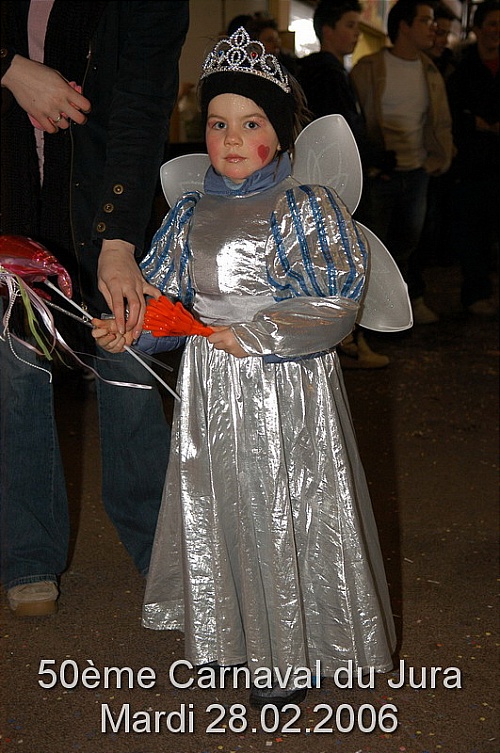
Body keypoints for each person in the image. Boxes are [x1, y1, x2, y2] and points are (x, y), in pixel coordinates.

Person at [93, 27, 396, 708]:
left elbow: (335, 301)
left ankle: (291, 651)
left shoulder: (305, 208)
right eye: (218, 123)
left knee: (285, 505)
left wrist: (260, 332)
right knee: (222, 502)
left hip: (285, 390)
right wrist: (132, 327)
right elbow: (167, 300)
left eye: (251, 123)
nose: (231, 138)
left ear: (281, 133)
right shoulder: (189, 215)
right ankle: (230, 636)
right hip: (212, 391)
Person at [0, 1, 189, 617]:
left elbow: (142, 105)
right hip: (12, 197)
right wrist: (10, 67)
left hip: (103, 201)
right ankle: (28, 554)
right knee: (14, 372)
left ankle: (163, 549)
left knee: (128, 361)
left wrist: (118, 241)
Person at [298, 0, 391, 368]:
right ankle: (347, 342)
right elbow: (344, 130)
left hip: (329, 178)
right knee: (345, 259)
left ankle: (344, 341)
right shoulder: (326, 72)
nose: (355, 33)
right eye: (350, 25)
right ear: (328, 29)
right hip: (337, 180)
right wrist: (377, 159)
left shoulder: (323, 70)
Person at [351, 0, 454, 325]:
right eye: (425, 20)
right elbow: (357, 121)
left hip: (417, 171)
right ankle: (369, 318)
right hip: (380, 174)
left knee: (409, 244)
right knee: (374, 247)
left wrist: (438, 159)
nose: (432, 28)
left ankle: (402, 309)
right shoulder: (369, 68)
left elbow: (439, 123)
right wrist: (370, 164)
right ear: (404, 26)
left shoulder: (430, 70)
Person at [445, 0, 499, 317]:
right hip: (472, 165)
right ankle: (476, 293)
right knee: (473, 231)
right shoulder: (461, 69)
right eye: (492, 23)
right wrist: (472, 122)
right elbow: (450, 113)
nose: (497, 31)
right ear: (477, 29)